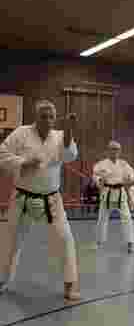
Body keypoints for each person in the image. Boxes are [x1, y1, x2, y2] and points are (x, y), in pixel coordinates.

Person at [0, 99, 81, 300]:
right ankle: (2, 279)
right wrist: (23, 162)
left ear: (55, 118)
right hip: (22, 198)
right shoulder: (21, 133)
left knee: (64, 238)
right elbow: (2, 153)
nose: (48, 120)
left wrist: (69, 131)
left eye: (51, 117)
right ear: (36, 117)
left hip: (51, 200)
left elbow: (70, 155)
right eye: (43, 116)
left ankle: (70, 284)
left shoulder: (60, 136)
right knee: (10, 240)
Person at [93, 141, 134, 253]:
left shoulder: (124, 164)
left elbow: (131, 175)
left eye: (117, 149)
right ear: (108, 150)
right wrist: (99, 180)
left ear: (119, 151)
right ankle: (98, 242)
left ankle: (130, 243)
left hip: (120, 194)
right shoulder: (101, 164)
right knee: (102, 219)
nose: (115, 151)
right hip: (107, 193)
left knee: (127, 218)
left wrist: (131, 179)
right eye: (112, 149)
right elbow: (95, 176)